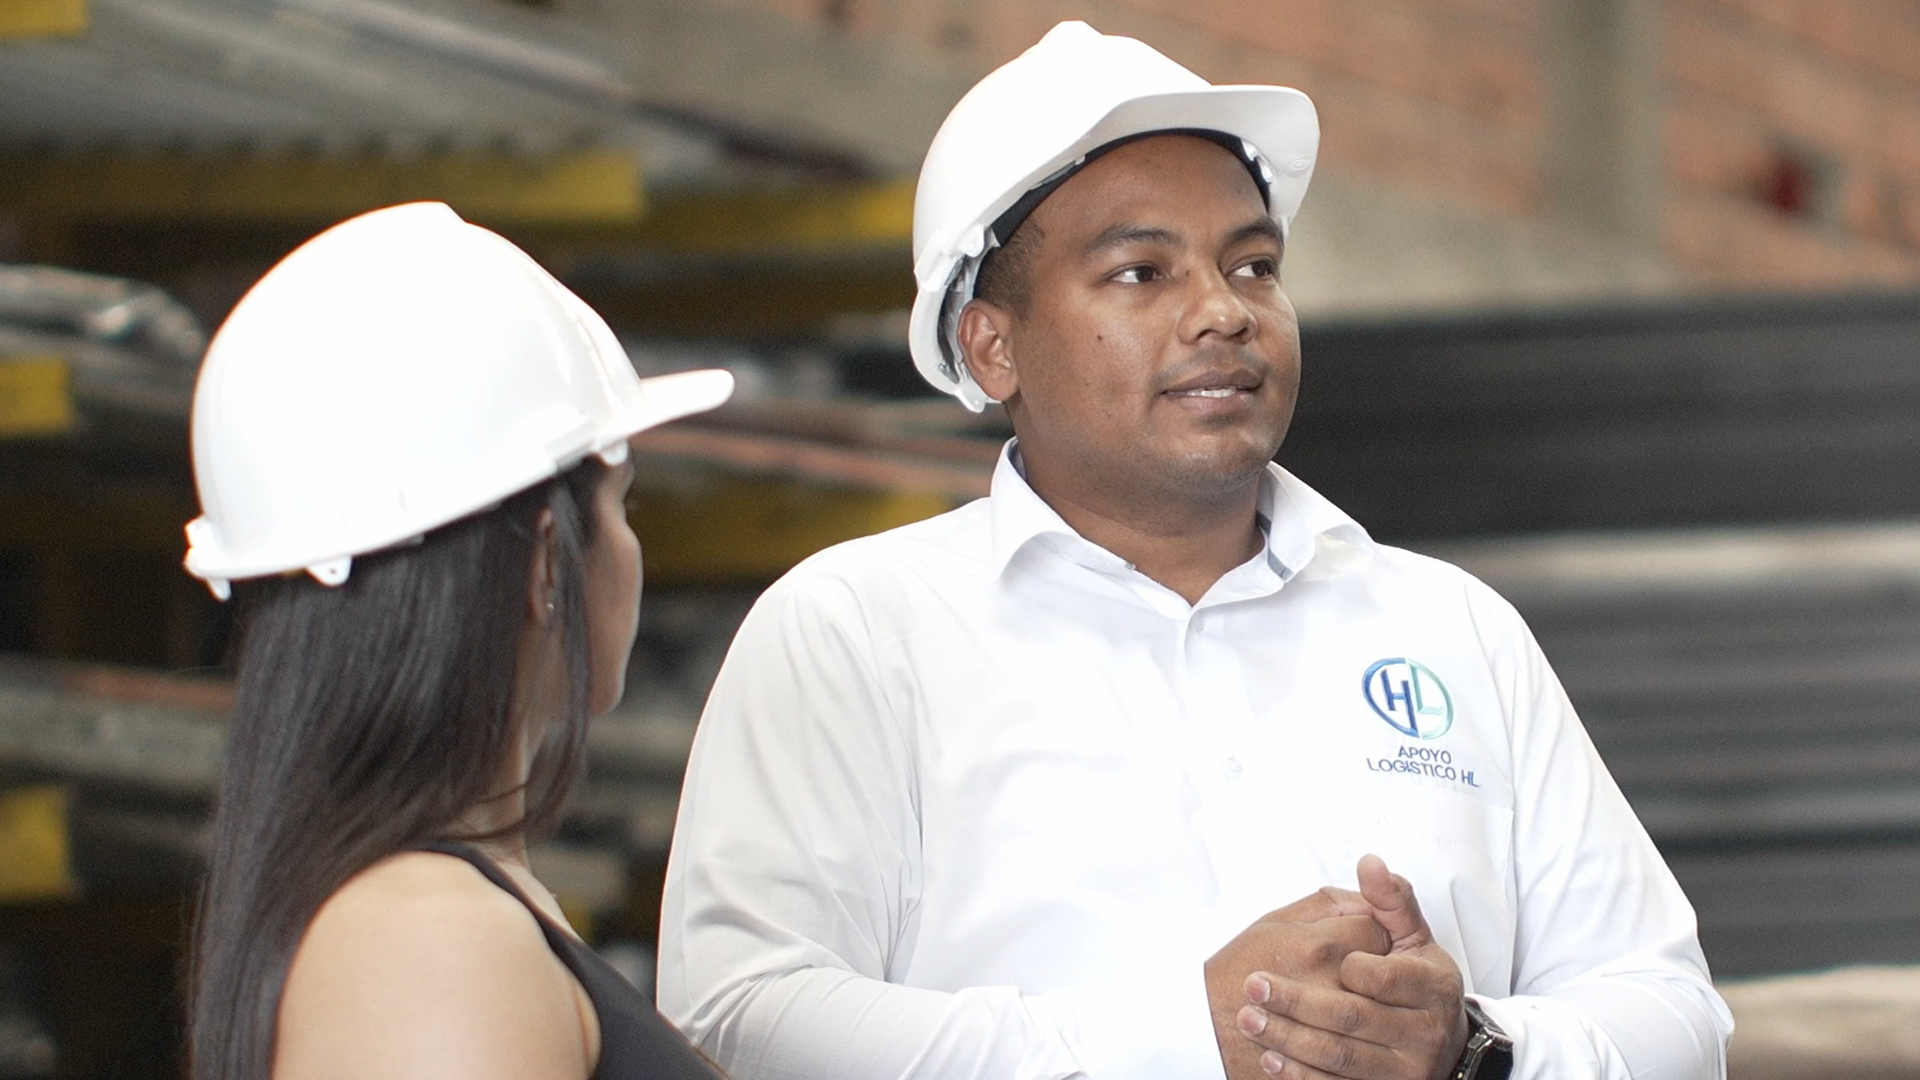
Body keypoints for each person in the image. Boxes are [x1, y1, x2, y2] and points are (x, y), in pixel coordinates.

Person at [658, 22, 1732, 1080]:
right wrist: (1186, 1039)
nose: (1223, 312)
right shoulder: (857, 631)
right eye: (1141, 273)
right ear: (992, 347)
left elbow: (1674, 1012)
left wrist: (1472, 1048)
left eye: (1253, 265)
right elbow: (738, 1017)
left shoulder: (1453, 630)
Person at [183, 202, 736, 1080]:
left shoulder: (430, 920)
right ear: (546, 562)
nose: (632, 548)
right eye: (620, 501)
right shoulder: (429, 942)